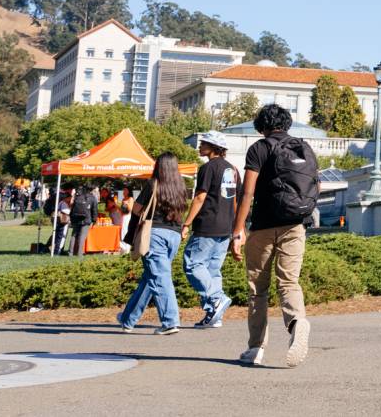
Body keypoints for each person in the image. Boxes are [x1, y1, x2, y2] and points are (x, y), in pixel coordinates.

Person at [231, 103, 319, 368]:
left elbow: (247, 192)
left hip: (264, 226)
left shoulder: (259, 148)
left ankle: (256, 348)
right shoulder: (304, 148)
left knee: (258, 288)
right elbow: (316, 184)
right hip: (296, 224)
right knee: (289, 282)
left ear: (262, 125)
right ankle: (296, 323)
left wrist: (238, 230)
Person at [115, 153, 187, 335]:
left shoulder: (153, 184)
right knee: (152, 276)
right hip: (175, 234)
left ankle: (170, 321)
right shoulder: (181, 185)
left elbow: (137, 209)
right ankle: (127, 319)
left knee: (159, 277)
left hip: (154, 234)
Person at [183, 131, 239, 328]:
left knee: (192, 264)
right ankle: (214, 315)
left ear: (213, 147)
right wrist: (237, 229)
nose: (199, 146)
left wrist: (186, 223)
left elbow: (200, 197)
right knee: (213, 271)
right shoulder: (232, 169)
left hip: (207, 224)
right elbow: (234, 200)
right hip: (225, 226)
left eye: (203, 143)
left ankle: (216, 298)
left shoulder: (208, 168)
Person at [69, 183, 98, 255]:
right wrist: (94, 220)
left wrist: (72, 217)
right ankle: (79, 253)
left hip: (76, 218)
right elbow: (94, 210)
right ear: (92, 189)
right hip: (86, 219)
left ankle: (70, 253)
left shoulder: (78, 196)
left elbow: (72, 207)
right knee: (82, 236)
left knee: (74, 235)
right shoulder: (92, 198)